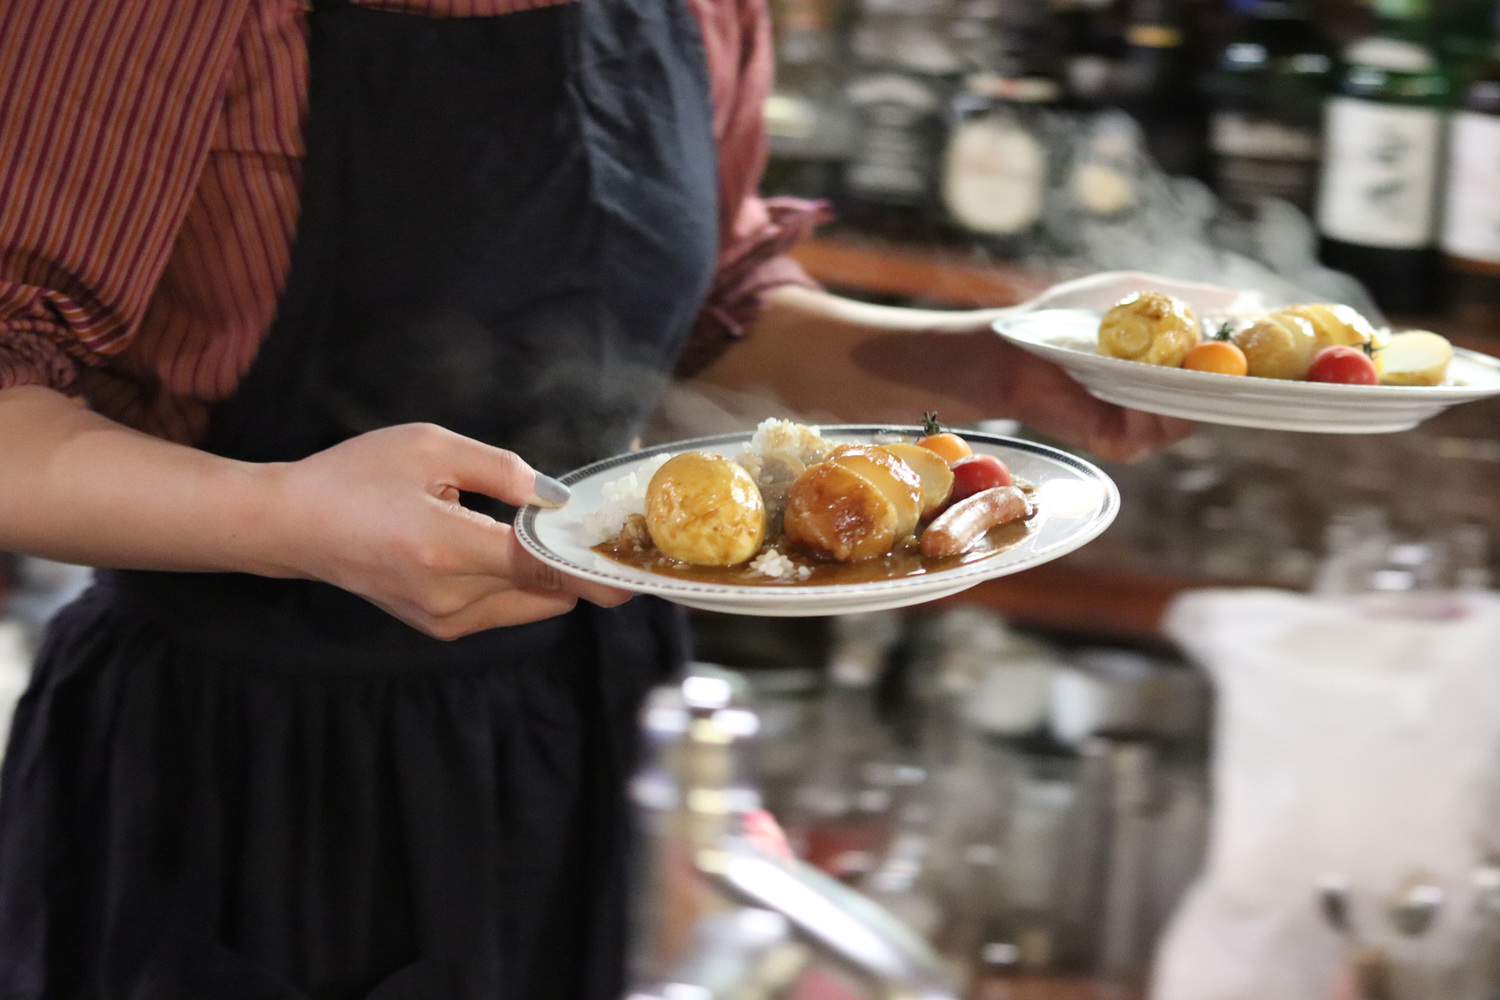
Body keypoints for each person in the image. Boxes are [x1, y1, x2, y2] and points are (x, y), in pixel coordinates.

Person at [0, 0, 1190, 996]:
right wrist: (285, 520)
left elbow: (697, 320)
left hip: (598, 731)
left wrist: (988, 362)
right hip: (248, 773)